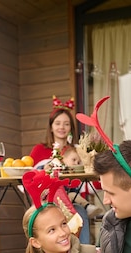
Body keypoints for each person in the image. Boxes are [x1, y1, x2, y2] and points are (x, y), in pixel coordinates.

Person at [30, 97, 90, 244]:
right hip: (47, 202)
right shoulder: (40, 150)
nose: (61, 127)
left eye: (66, 124)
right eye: (57, 123)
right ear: (51, 127)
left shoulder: (77, 151)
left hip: (72, 200)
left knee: (80, 213)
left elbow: (86, 180)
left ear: (71, 128)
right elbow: (29, 179)